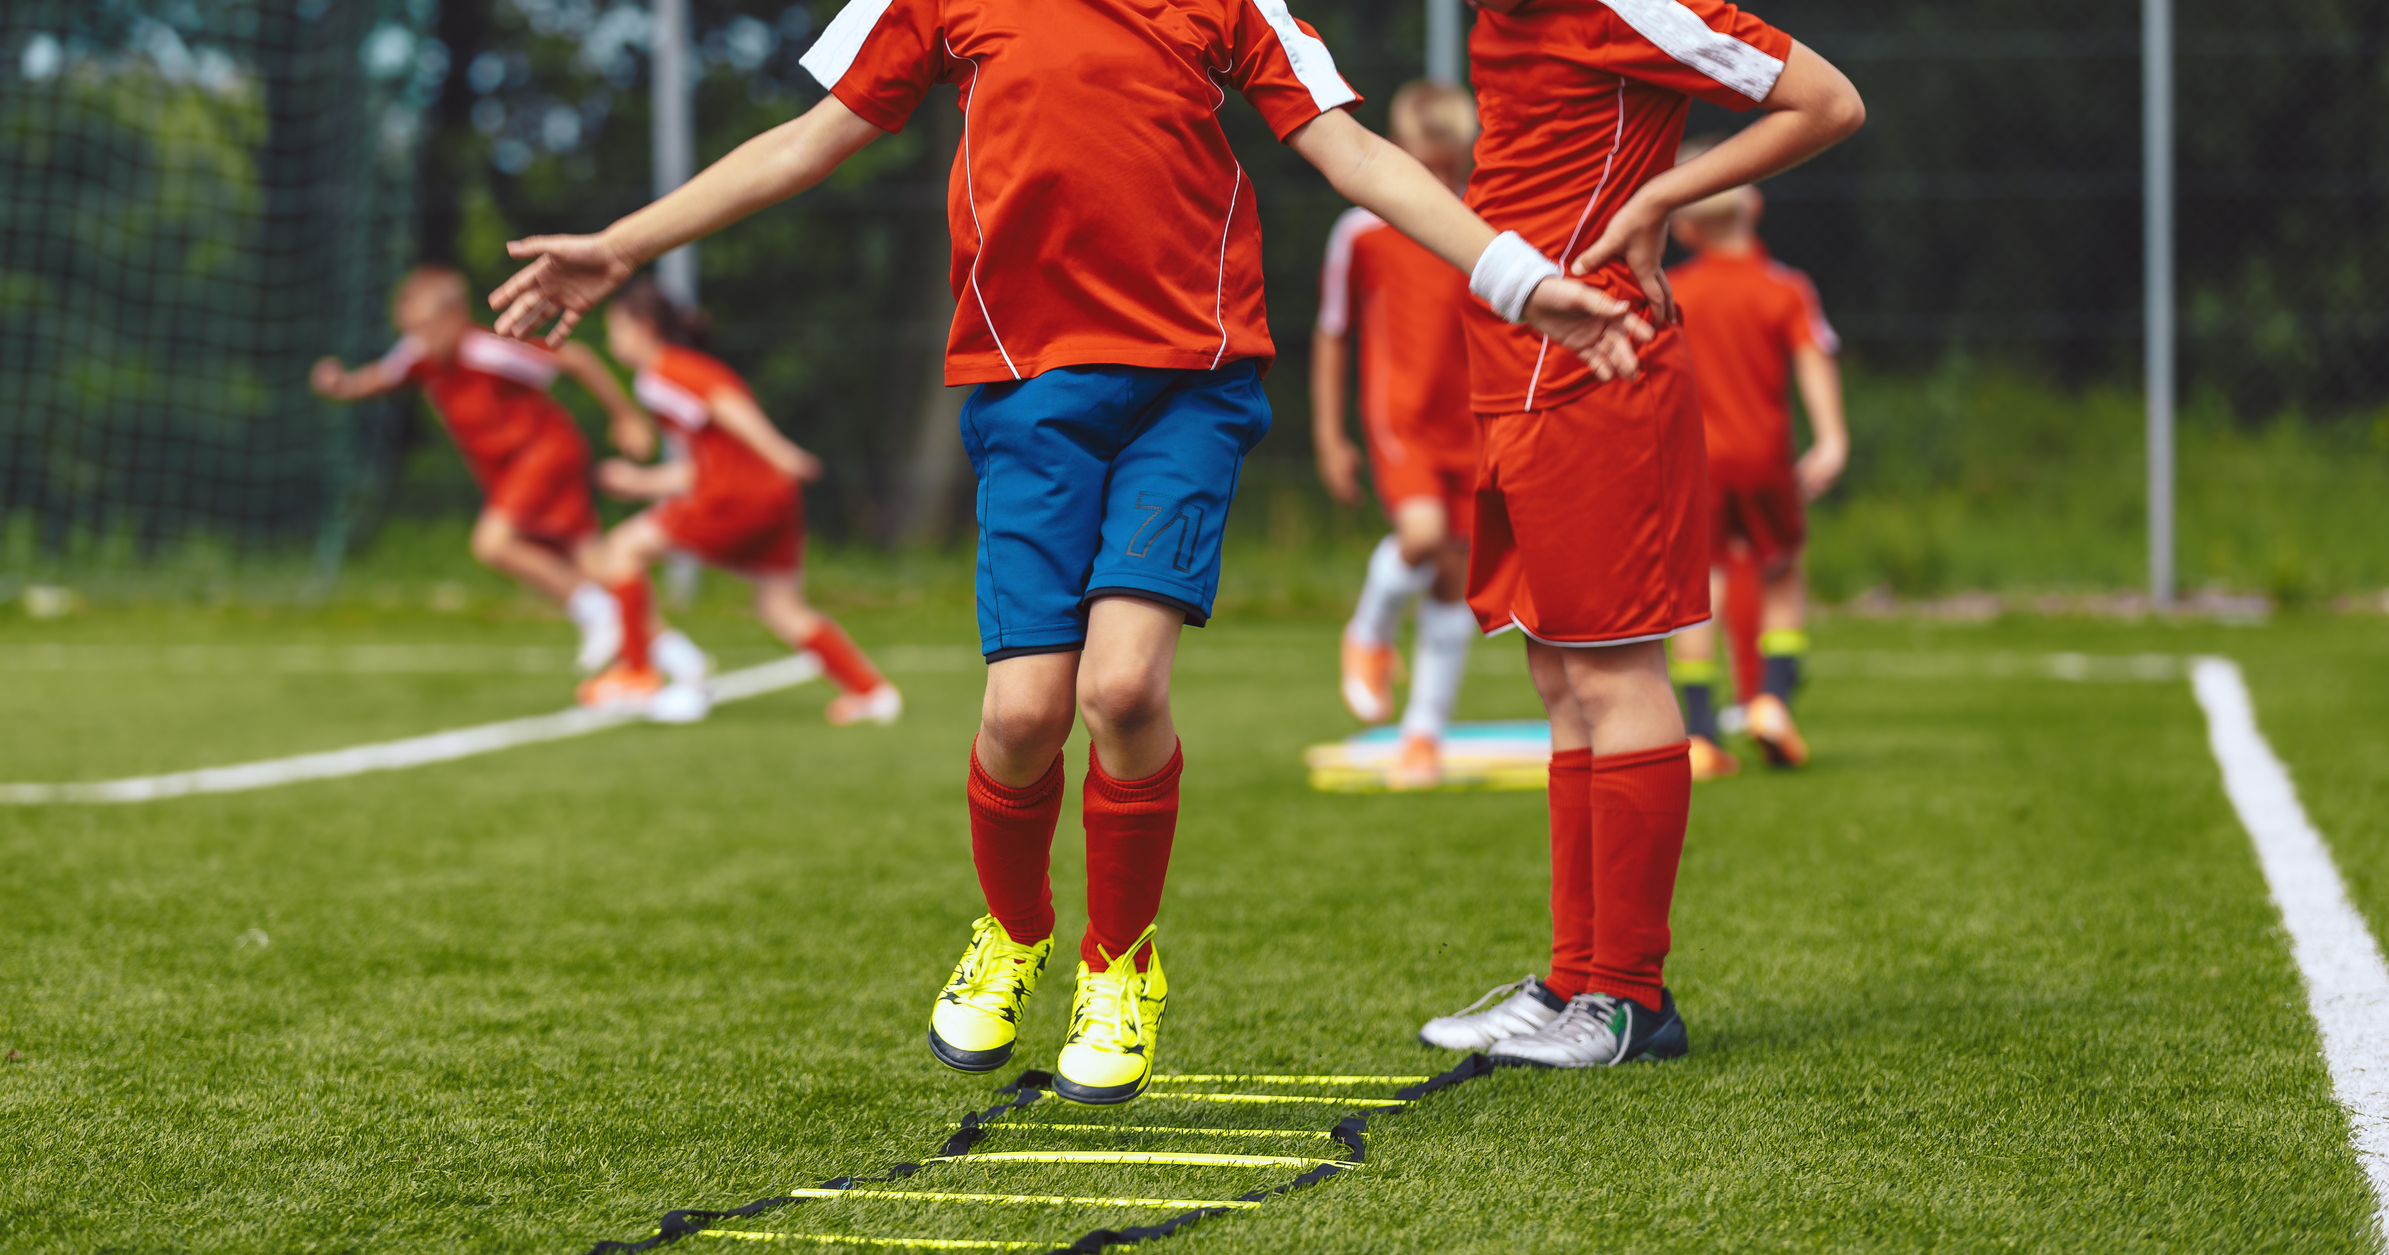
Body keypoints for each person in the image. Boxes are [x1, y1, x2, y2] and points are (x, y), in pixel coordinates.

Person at [483, 0, 1645, 1104]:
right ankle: (1016, 932)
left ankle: (1118, 961)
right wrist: (619, 248)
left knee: (1124, 686)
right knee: (1021, 717)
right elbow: (805, 140)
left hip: (1191, 393)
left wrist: (1516, 280)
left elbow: (1356, 153)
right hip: (1024, 399)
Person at [1416, 0, 1863, 1068]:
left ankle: (1629, 996)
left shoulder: (1629, 5)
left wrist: (1664, 192)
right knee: (1563, 680)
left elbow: (1830, 101)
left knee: (1615, 674)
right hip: (1513, 374)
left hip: (1599, 370)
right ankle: (1572, 978)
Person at [580, 276, 901, 727]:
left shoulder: (660, 374)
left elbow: (725, 404)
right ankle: (871, 693)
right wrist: (641, 482)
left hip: (735, 498)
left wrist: (780, 449)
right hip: (772, 496)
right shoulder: (688, 368)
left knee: (620, 550)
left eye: (616, 329)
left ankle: (637, 673)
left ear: (644, 326)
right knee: (781, 606)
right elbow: (706, 461)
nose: (613, 342)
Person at [309, 264, 653, 676]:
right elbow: (383, 376)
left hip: (543, 453)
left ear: (453, 317)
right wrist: (342, 385)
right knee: (593, 563)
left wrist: (625, 418)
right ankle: (673, 658)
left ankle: (597, 613)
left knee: (492, 542)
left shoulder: (485, 350)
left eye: (423, 327)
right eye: (409, 330)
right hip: (513, 471)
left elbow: (576, 359)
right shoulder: (418, 355)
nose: (415, 339)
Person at [1313, 81, 1484, 791]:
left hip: (1472, 423)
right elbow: (1332, 334)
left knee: (1455, 575)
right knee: (1420, 534)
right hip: (1401, 418)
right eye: (1427, 162)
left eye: (1451, 164)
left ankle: (1422, 735)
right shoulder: (1361, 230)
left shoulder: (1485, 221)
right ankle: (1370, 633)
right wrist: (1330, 434)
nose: (1440, 179)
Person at [1663, 145, 1847, 779]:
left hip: (1696, 464)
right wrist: (1831, 439)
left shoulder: (1675, 292)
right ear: (1756, 204)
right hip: (1767, 461)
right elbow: (1813, 360)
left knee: (1701, 586)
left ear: (1683, 227)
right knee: (1782, 571)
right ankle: (1772, 697)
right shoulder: (1786, 290)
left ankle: (1699, 731)